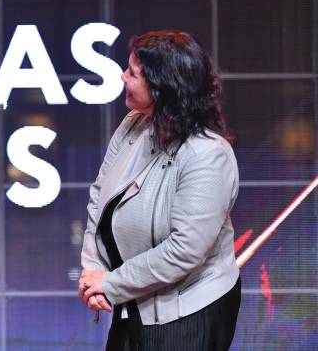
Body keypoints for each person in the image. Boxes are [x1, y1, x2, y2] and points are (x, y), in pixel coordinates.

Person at [78, 31, 240, 350]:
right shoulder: (133, 124)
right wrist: (93, 270)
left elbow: (184, 250)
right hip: (132, 300)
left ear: (161, 87)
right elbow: (99, 198)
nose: (122, 76)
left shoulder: (208, 154)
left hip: (187, 313)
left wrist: (111, 284)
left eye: (133, 73)